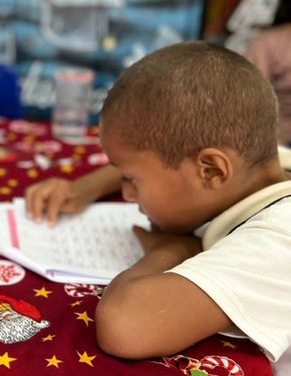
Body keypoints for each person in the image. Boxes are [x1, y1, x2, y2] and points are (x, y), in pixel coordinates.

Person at [26, 42, 291, 370]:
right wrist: (84, 187)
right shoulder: (260, 164)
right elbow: (158, 153)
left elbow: (126, 326)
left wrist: (174, 247)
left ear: (211, 170)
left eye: (132, 180)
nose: (127, 195)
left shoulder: (279, 240)